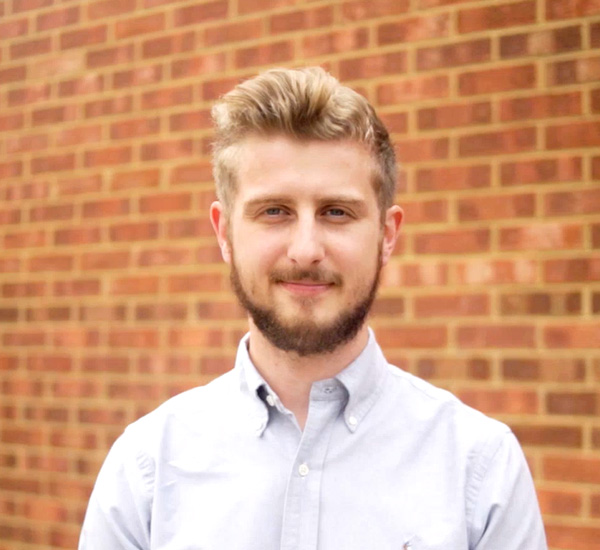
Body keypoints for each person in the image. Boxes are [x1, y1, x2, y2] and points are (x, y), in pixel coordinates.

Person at [79, 67, 547, 549]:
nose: (305, 250)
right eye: (274, 211)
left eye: (336, 212)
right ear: (224, 233)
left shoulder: (480, 470)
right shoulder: (146, 470)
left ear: (387, 235)